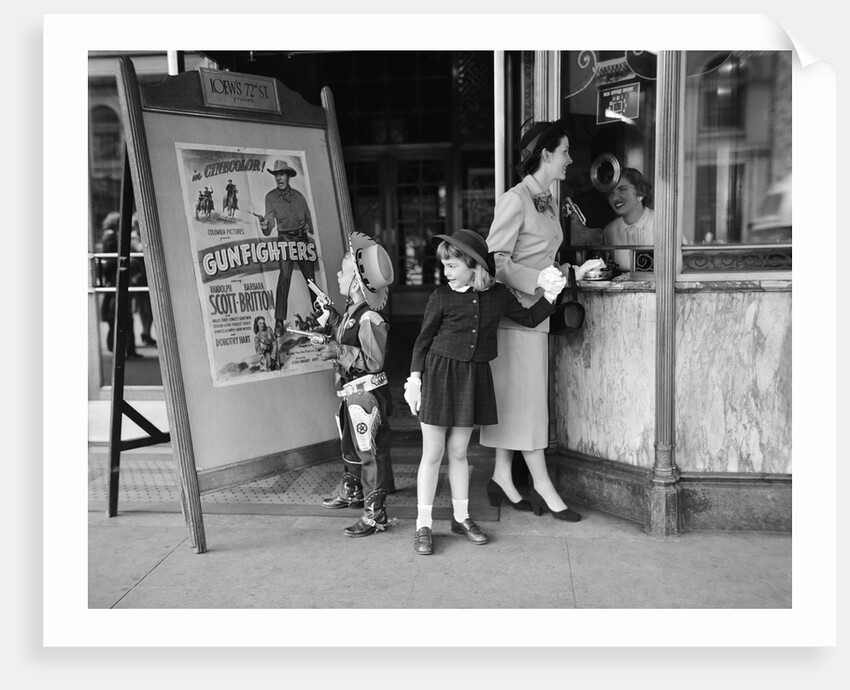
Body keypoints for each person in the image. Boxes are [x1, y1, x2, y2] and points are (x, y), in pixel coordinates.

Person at [403, 229, 563, 556]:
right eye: (444, 266)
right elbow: (422, 342)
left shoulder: (499, 295)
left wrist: (550, 296)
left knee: (460, 451)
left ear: (473, 265)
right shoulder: (441, 297)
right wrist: (415, 380)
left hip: (473, 377)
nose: (445, 272)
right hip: (438, 375)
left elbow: (530, 318)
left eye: (451, 266)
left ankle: (461, 517)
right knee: (432, 453)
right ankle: (423, 524)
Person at [481, 120, 604, 522]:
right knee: (530, 404)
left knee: (519, 401)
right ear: (546, 154)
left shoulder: (548, 201)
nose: (570, 160)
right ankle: (544, 486)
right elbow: (494, 262)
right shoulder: (515, 199)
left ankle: (502, 476)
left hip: (537, 315)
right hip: (515, 316)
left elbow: (542, 255)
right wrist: (539, 279)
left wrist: (570, 270)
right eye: (565, 152)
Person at [314, 232, 396, 538]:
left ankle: (375, 516)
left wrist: (337, 351)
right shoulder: (353, 312)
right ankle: (353, 491)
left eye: (343, 271)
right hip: (352, 396)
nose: (337, 274)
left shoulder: (370, 319)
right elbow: (346, 332)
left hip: (367, 397)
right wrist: (331, 319)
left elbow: (373, 361)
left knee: (371, 453)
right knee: (352, 447)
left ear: (356, 283)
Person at [258, 160, 316, 329]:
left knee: (311, 279)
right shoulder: (270, 197)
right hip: (284, 241)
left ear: (288, 176)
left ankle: (321, 316)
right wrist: (265, 226)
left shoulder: (299, 196)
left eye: (282, 174)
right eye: (276, 175)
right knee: (284, 277)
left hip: (302, 241)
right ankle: (279, 321)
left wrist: (307, 226)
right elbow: (269, 223)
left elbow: (309, 222)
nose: (279, 178)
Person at [98, 211, 140, 358]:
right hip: (115, 279)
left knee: (117, 315)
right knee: (121, 314)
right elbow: (114, 257)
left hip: (112, 279)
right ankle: (124, 348)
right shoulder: (111, 236)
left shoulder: (108, 235)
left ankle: (123, 348)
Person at [602, 167, 655, 271]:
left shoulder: (661, 223)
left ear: (641, 192)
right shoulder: (610, 231)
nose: (615, 198)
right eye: (610, 193)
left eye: (622, 189)